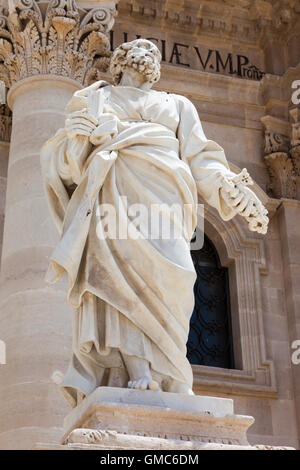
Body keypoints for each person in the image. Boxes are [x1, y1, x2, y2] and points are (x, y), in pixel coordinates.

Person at [41, 39, 268, 407]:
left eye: (152, 51)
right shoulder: (95, 99)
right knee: (118, 279)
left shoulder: (177, 105)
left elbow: (202, 159)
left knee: (178, 274)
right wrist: (84, 140)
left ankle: (173, 370)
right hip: (115, 196)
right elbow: (66, 164)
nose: (148, 53)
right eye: (139, 49)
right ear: (120, 61)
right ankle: (140, 370)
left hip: (167, 201)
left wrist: (230, 190)